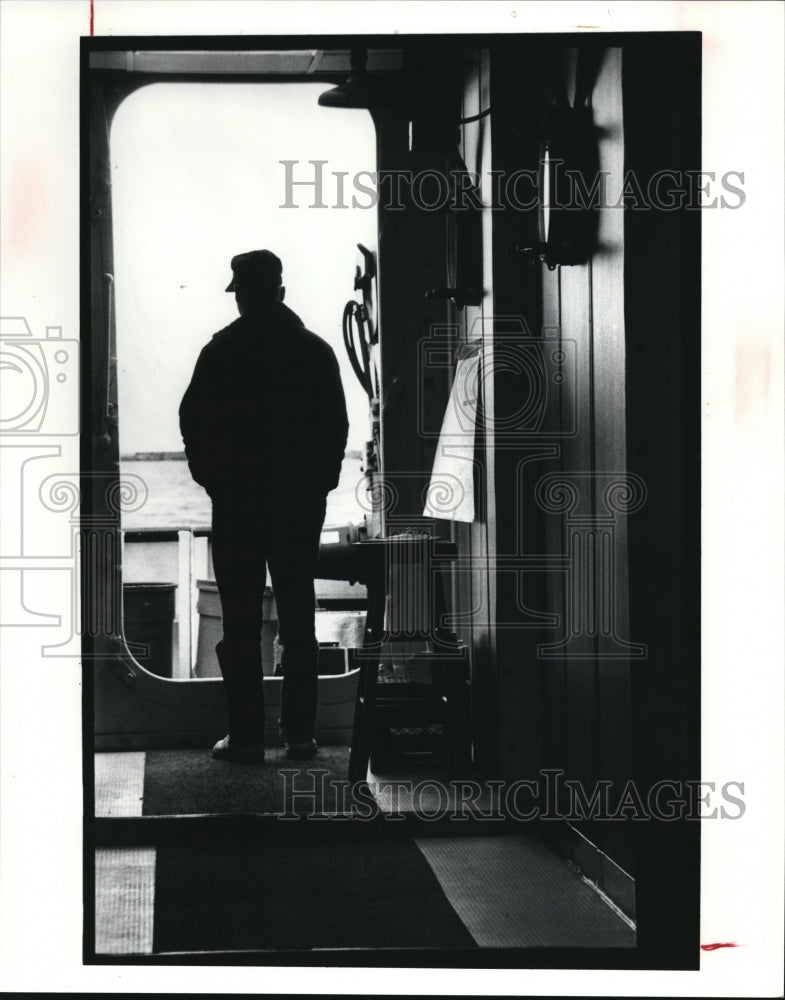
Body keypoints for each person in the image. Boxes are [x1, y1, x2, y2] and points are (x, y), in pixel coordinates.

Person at [179, 250, 349, 761]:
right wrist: (317, 486)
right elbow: (335, 429)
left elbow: (193, 423)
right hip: (298, 507)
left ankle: (247, 736)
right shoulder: (315, 352)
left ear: (243, 295)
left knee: (239, 623)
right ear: (280, 290)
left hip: (237, 507)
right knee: (299, 619)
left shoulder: (220, 353)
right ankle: (301, 734)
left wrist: (214, 482)